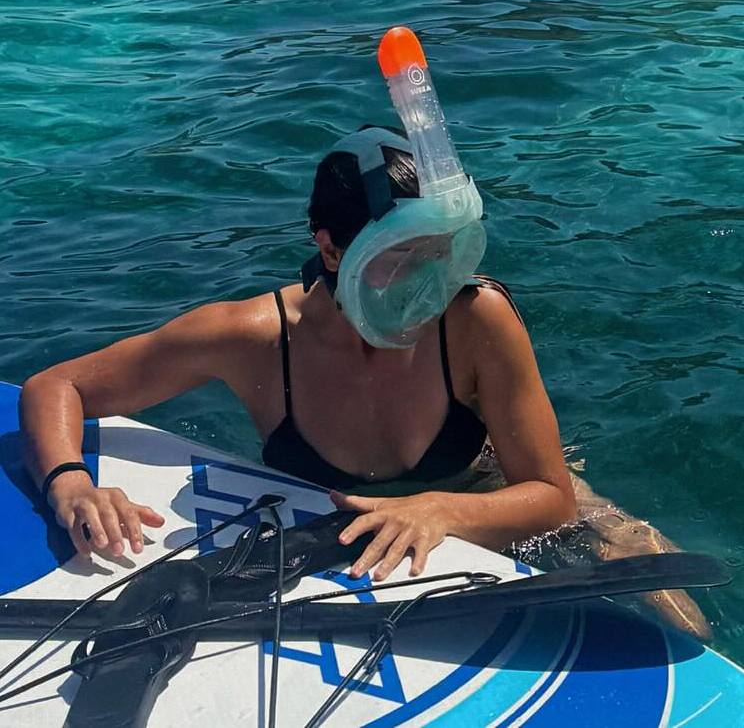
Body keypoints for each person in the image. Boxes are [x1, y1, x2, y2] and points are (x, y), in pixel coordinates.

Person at [20, 126, 707, 637]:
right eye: (400, 260)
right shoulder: (252, 338)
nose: (427, 288)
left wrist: (441, 510)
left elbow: (550, 497)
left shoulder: (475, 317)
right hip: (341, 537)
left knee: (682, 616)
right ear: (330, 248)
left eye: (440, 256)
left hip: (488, 493)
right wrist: (69, 483)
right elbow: (55, 386)